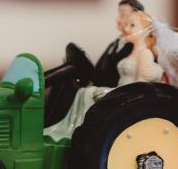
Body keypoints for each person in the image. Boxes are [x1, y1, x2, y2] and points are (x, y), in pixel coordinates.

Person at [44, 9, 163, 142]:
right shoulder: (132, 52)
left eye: (132, 25)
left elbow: (139, 87)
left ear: (145, 30)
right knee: (84, 91)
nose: (127, 28)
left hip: (128, 95)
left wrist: (112, 92)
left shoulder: (144, 54)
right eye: (127, 24)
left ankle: (81, 132)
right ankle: (70, 129)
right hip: (121, 90)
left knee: (88, 93)